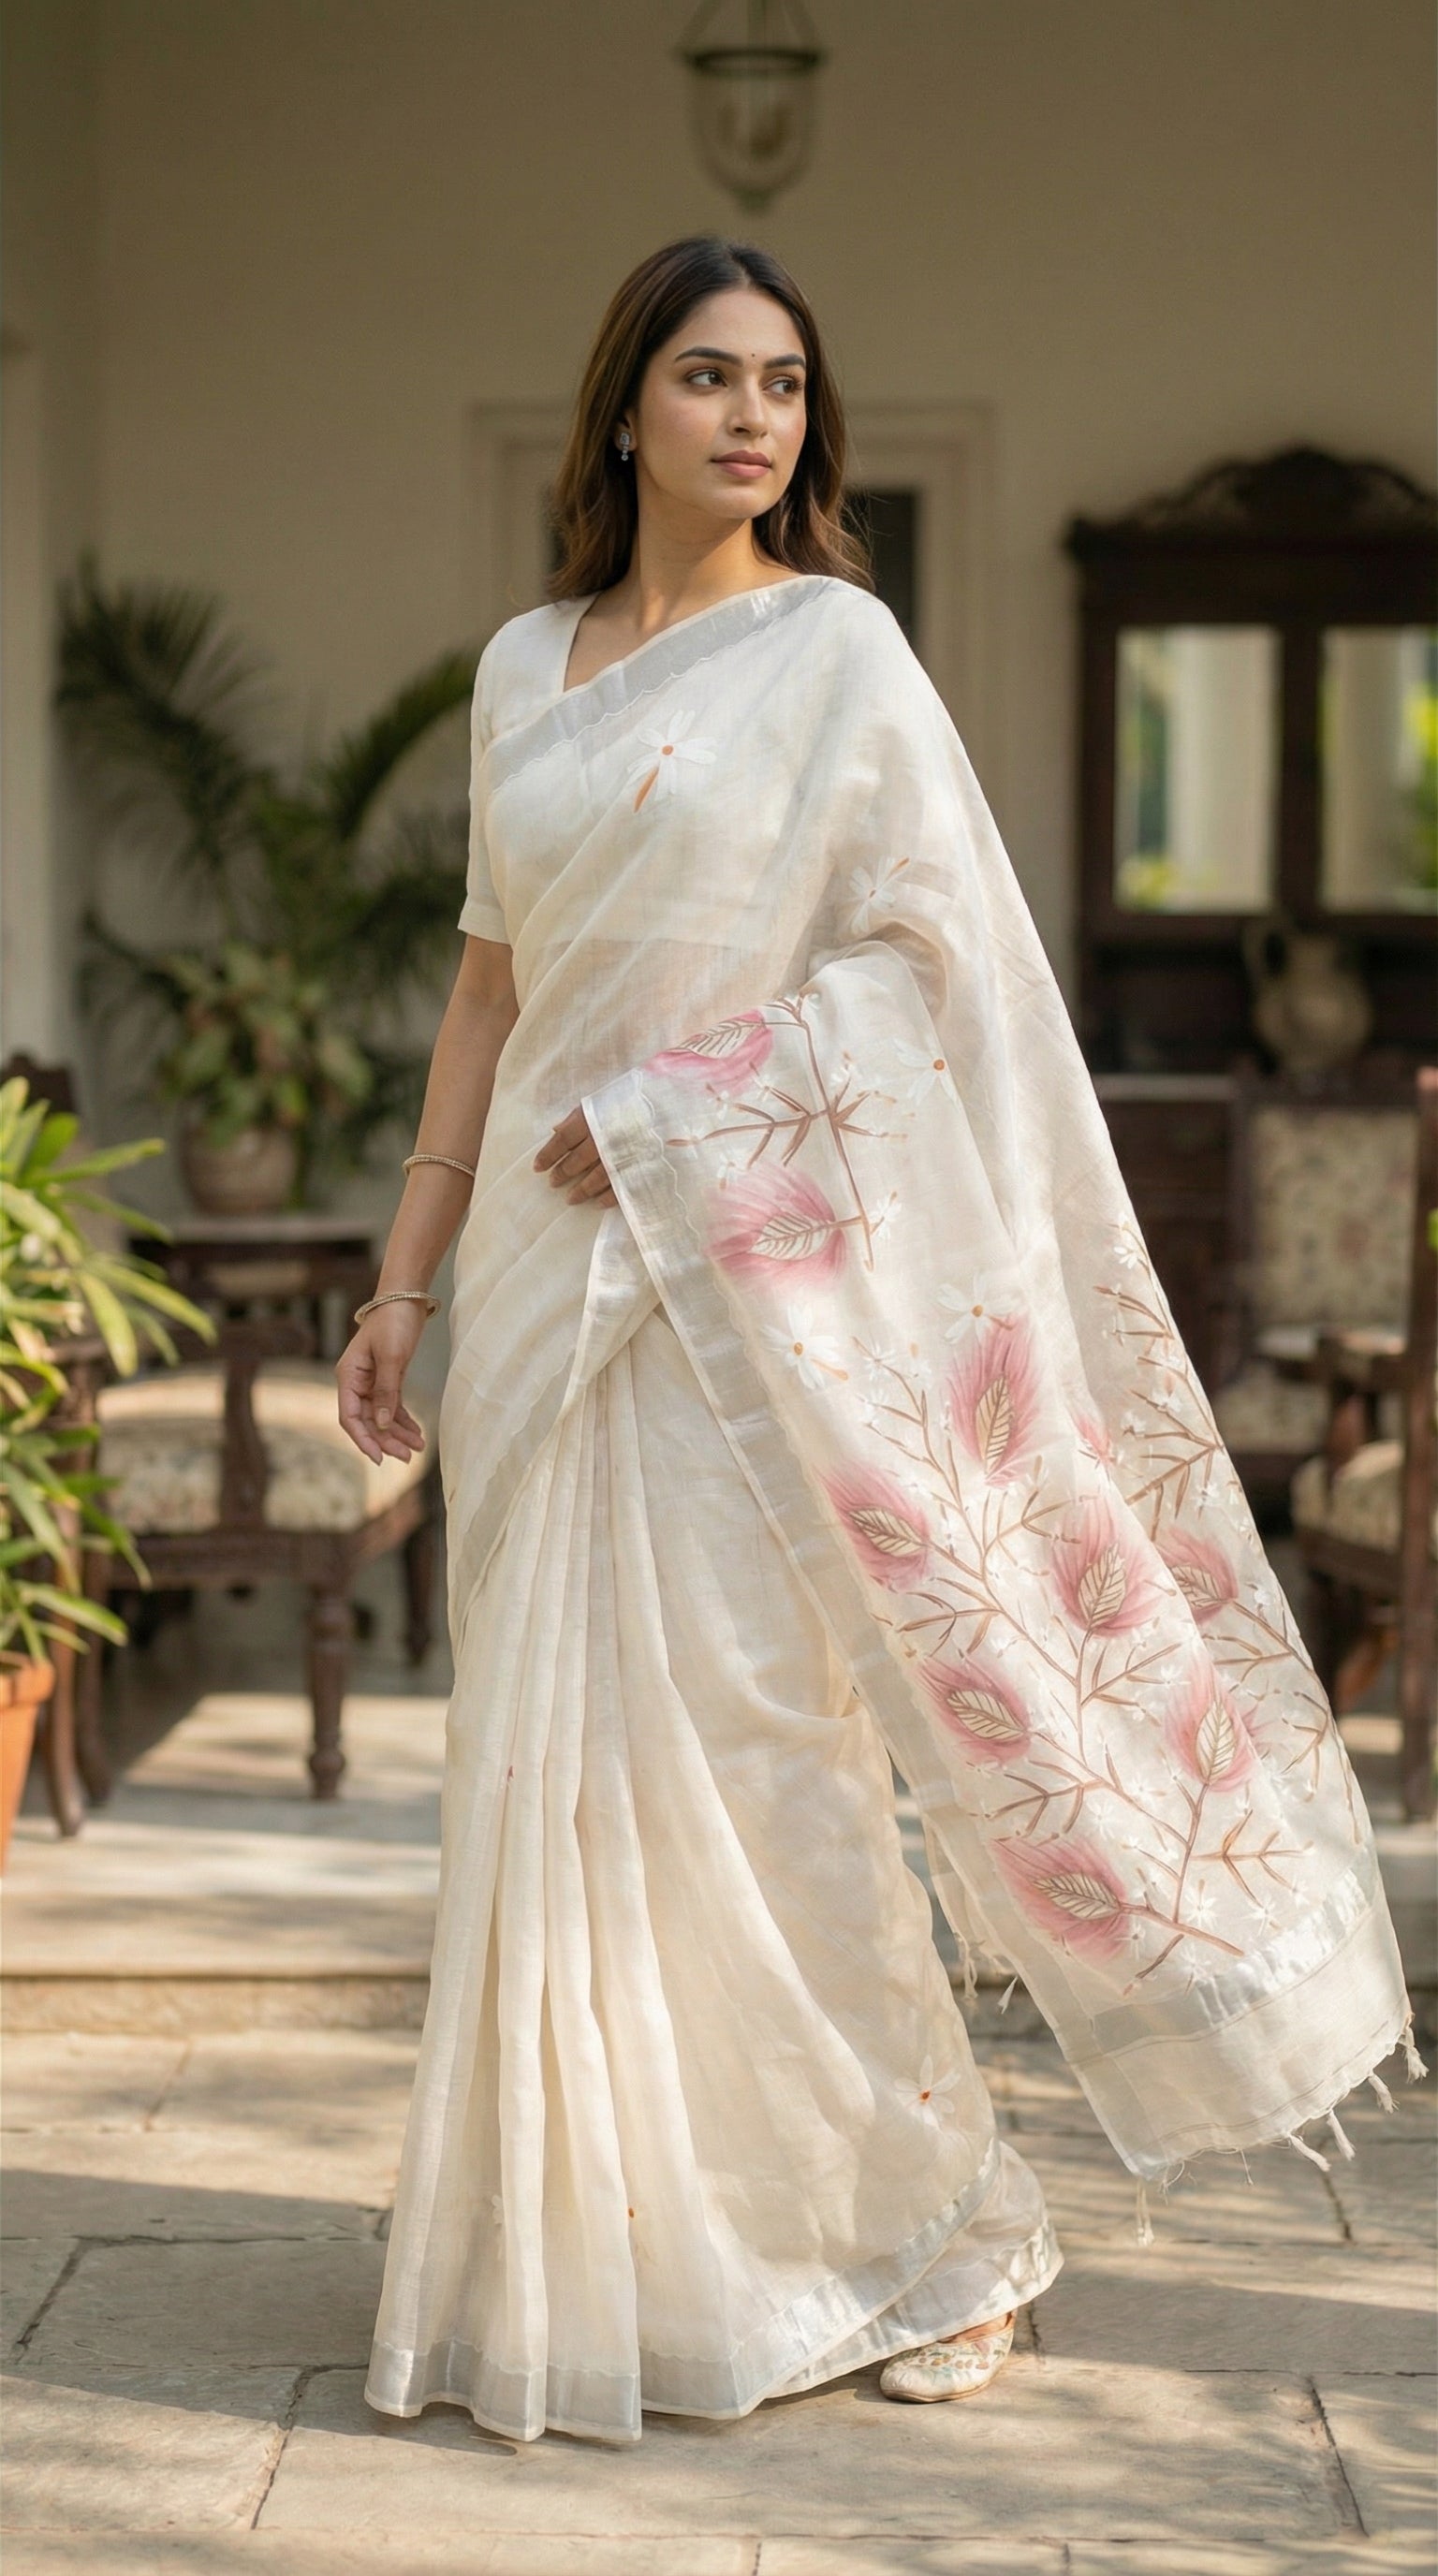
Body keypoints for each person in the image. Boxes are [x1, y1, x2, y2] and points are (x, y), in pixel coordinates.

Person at [338, 237, 1415, 2450]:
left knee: (774, 1753)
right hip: (550, 1311)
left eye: (789, 388)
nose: (755, 419)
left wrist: (674, 1121)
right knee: (561, 1771)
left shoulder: (839, 651)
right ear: (625, 403)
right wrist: (406, 1285)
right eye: (712, 377)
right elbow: (484, 990)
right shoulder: (525, 671)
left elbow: (940, 983)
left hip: (733, 1276)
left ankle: (935, 2224)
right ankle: (630, 2237)